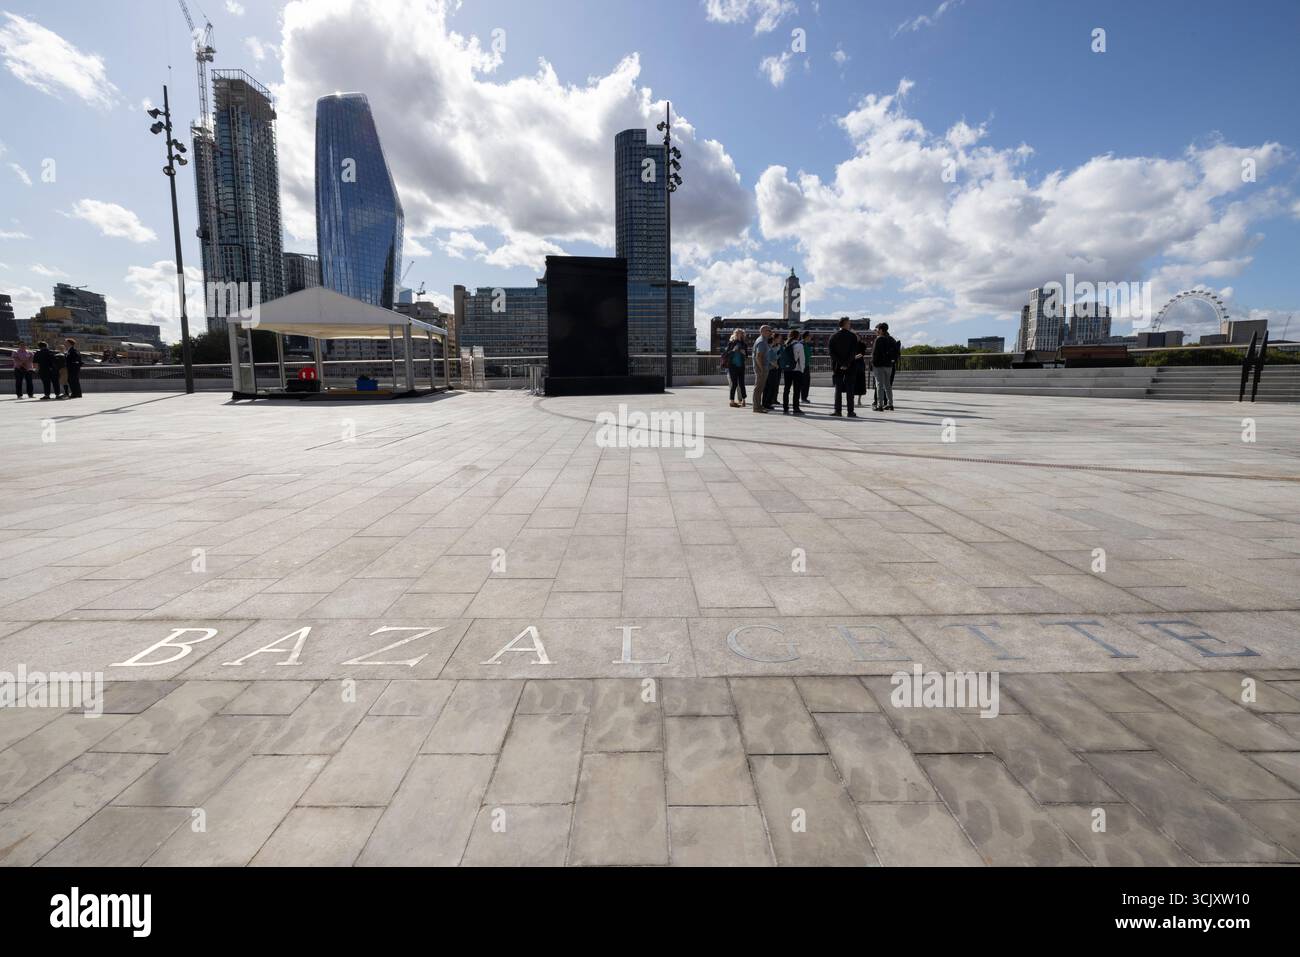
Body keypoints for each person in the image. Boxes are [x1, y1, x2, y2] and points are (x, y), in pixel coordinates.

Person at [828, 318, 859, 417]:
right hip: (851, 366)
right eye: (849, 323)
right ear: (845, 324)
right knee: (850, 390)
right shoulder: (853, 336)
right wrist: (846, 363)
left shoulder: (833, 337)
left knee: (838, 389)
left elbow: (831, 353)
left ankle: (838, 411)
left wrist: (841, 363)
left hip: (837, 366)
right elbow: (853, 352)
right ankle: (850, 411)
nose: (850, 325)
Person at [872, 321, 900, 411]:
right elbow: (897, 352)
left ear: (880, 330)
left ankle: (879, 405)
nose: (876, 331)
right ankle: (890, 404)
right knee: (887, 385)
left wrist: (873, 364)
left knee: (879, 385)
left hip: (879, 365)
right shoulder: (891, 339)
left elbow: (875, 353)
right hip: (889, 365)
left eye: (877, 329)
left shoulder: (879, 339)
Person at [722, 329, 749, 408]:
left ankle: (743, 400)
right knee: (734, 384)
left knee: (742, 384)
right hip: (732, 366)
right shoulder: (731, 343)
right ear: (734, 334)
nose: (738, 335)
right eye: (736, 333)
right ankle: (732, 401)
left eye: (740, 333)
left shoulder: (744, 344)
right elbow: (725, 355)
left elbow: (746, 356)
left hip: (741, 366)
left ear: (742, 335)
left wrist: (744, 353)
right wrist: (733, 350)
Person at [781, 328, 805, 415]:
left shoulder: (785, 344)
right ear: (798, 336)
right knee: (796, 390)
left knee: (786, 389)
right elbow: (802, 359)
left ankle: (785, 408)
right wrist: (802, 370)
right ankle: (796, 408)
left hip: (787, 370)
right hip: (796, 370)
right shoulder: (799, 345)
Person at [752, 324, 772, 413]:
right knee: (758, 388)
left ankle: (758, 406)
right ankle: (756, 407)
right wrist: (761, 369)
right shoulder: (761, 341)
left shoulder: (763, 340)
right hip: (761, 368)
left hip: (762, 367)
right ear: (762, 331)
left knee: (760, 388)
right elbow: (758, 356)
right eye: (768, 330)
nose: (770, 332)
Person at [763, 330, 782, 410]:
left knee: (768, 387)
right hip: (771, 369)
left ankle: (766, 403)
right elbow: (771, 360)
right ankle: (767, 403)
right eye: (778, 339)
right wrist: (776, 365)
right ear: (773, 340)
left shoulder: (770, 347)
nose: (779, 340)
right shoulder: (770, 348)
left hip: (770, 369)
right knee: (770, 387)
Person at [800, 334, 813, 403]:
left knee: (807, 382)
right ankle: (803, 398)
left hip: (806, 365)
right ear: (806, 337)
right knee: (804, 382)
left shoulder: (807, 344)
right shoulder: (801, 344)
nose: (811, 338)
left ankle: (804, 397)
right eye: (810, 336)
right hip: (802, 366)